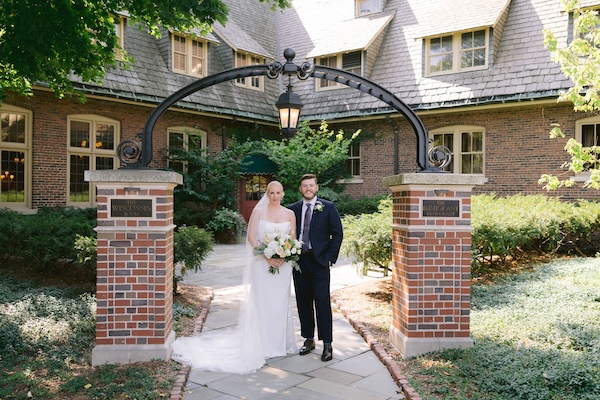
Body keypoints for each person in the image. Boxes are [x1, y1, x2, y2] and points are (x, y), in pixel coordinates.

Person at [171, 181, 299, 373]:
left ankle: (280, 343)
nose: (275, 196)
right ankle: (263, 344)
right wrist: (266, 256)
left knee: (280, 303)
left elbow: (293, 237)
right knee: (263, 302)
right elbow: (251, 237)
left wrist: (285, 254)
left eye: (278, 192)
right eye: (271, 192)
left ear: (283, 193)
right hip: (263, 265)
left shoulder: (290, 214)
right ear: (267, 193)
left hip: (283, 267)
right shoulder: (259, 212)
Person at [288, 174, 343, 362]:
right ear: (300, 189)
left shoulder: (328, 208)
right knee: (303, 302)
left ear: (316, 188)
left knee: (322, 303)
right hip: (300, 261)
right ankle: (309, 339)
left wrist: (330, 258)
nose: (308, 189)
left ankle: (327, 343)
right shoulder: (292, 210)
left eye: (311, 185)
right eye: (305, 186)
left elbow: (337, 234)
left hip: (320, 262)